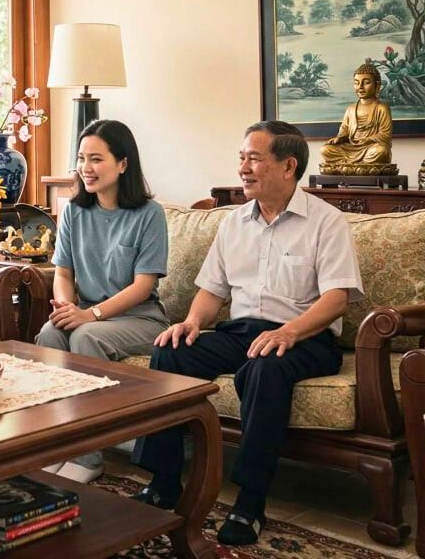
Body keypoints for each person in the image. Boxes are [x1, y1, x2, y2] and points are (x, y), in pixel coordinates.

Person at [131, 121, 364, 546]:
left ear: (288, 165)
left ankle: (249, 503)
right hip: (241, 332)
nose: (243, 167)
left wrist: (290, 332)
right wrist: (192, 322)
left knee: (264, 368)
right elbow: (212, 290)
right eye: (241, 157)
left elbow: (336, 300)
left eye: (253, 158)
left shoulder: (326, 222)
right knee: (169, 354)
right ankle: (164, 482)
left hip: (307, 337)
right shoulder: (235, 222)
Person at [35, 119, 170, 483]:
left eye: (96, 159)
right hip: (87, 314)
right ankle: (54, 447)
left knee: (85, 338)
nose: (86, 168)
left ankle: (88, 456)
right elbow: (62, 274)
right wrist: (66, 309)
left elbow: (143, 287)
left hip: (139, 318)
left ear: (123, 164)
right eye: (81, 158)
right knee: (50, 334)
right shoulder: (75, 212)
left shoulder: (149, 215)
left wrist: (90, 315)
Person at [320, 60, 394, 172]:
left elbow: (385, 134)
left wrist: (368, 140)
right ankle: (356, 167)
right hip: (350, 147)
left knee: (381, 151)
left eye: (366, 82)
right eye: (356, 82)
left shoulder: (381, 108)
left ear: (377, 86)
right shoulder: (350, 109)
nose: (360, 87)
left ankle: (348, 167)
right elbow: (345, 129)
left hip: (370, 147)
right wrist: (339, 138)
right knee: (325, 150)